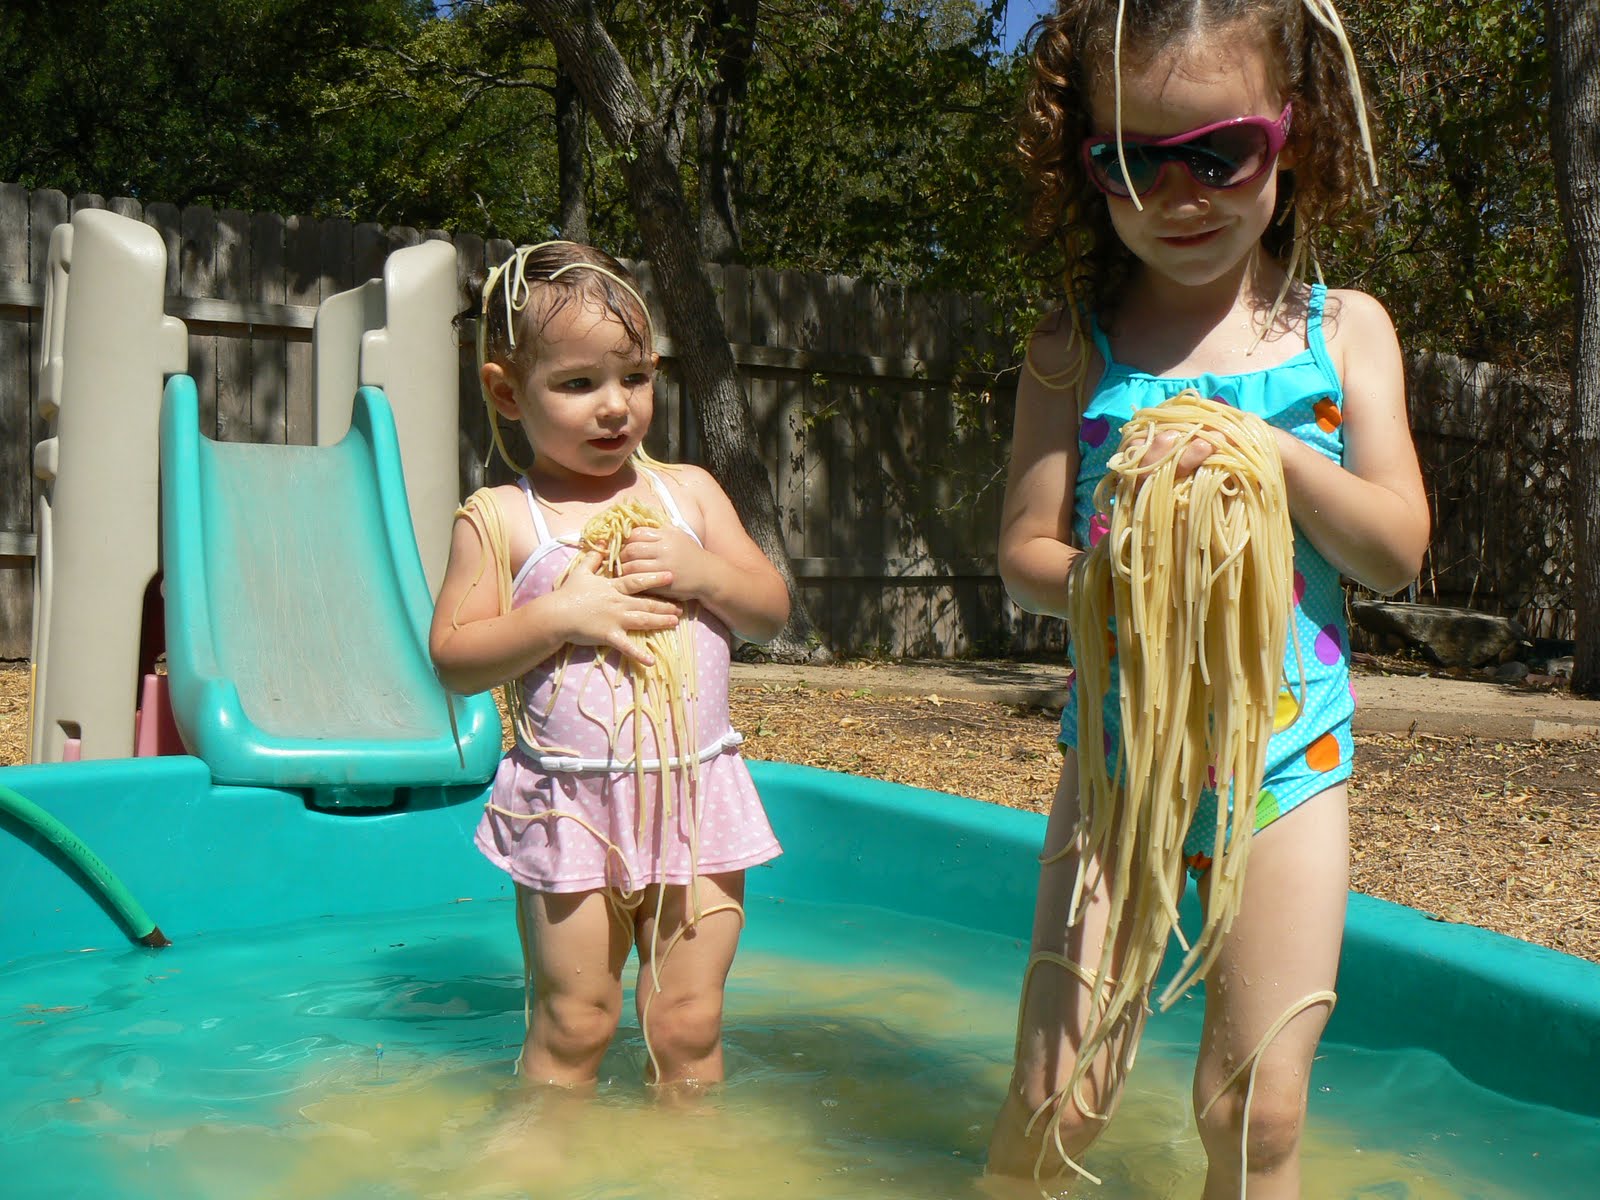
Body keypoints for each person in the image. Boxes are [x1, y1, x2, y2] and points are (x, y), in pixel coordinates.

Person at [985, 1, 1429, 1196]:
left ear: (1293, 137)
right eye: (1132, 161)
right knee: (1057, 1094)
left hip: (1286, 756)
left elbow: (1394, 551)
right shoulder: (1072, 347)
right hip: (1117, 761)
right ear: (1084, 165)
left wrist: (1267, 455)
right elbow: (1023, 552)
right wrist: (1110, 575)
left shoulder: (1344, 334)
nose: (1178, 195)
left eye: (1218, 154)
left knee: (1254, 1115)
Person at [429, 241, 789, 1094]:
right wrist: (560, 615)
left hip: (695, 796)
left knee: (687, 1022)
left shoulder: (688, 495)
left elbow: (770, 609)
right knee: (576, 1022)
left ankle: (689, 1156)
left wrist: (704, 573)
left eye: (635, 377)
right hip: (571, 807)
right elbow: (454, 659)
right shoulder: (502, 518)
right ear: (507, 392)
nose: (616, 406)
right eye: (579, 383)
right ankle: (548, 1149)